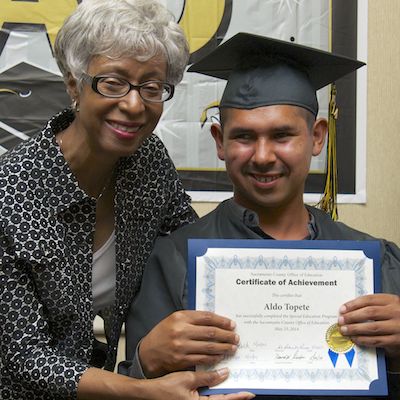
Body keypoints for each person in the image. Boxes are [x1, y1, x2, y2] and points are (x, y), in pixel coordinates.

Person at [121, 33, 400, 399]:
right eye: (245, 137)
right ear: (220, 142)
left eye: (282, 135)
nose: (264, 156)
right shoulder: (173, 260)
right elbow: (139, 388)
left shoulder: (374, 263)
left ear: (317, 137)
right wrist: (146, 360)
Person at [0, 2, 256, 399]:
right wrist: (142, 387)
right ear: (73, 85)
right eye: (113, 83)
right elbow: (25, 358)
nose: (135, 105)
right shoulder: (12, 189)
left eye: (151, 87)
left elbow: (190, 256)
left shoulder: (148, 163)